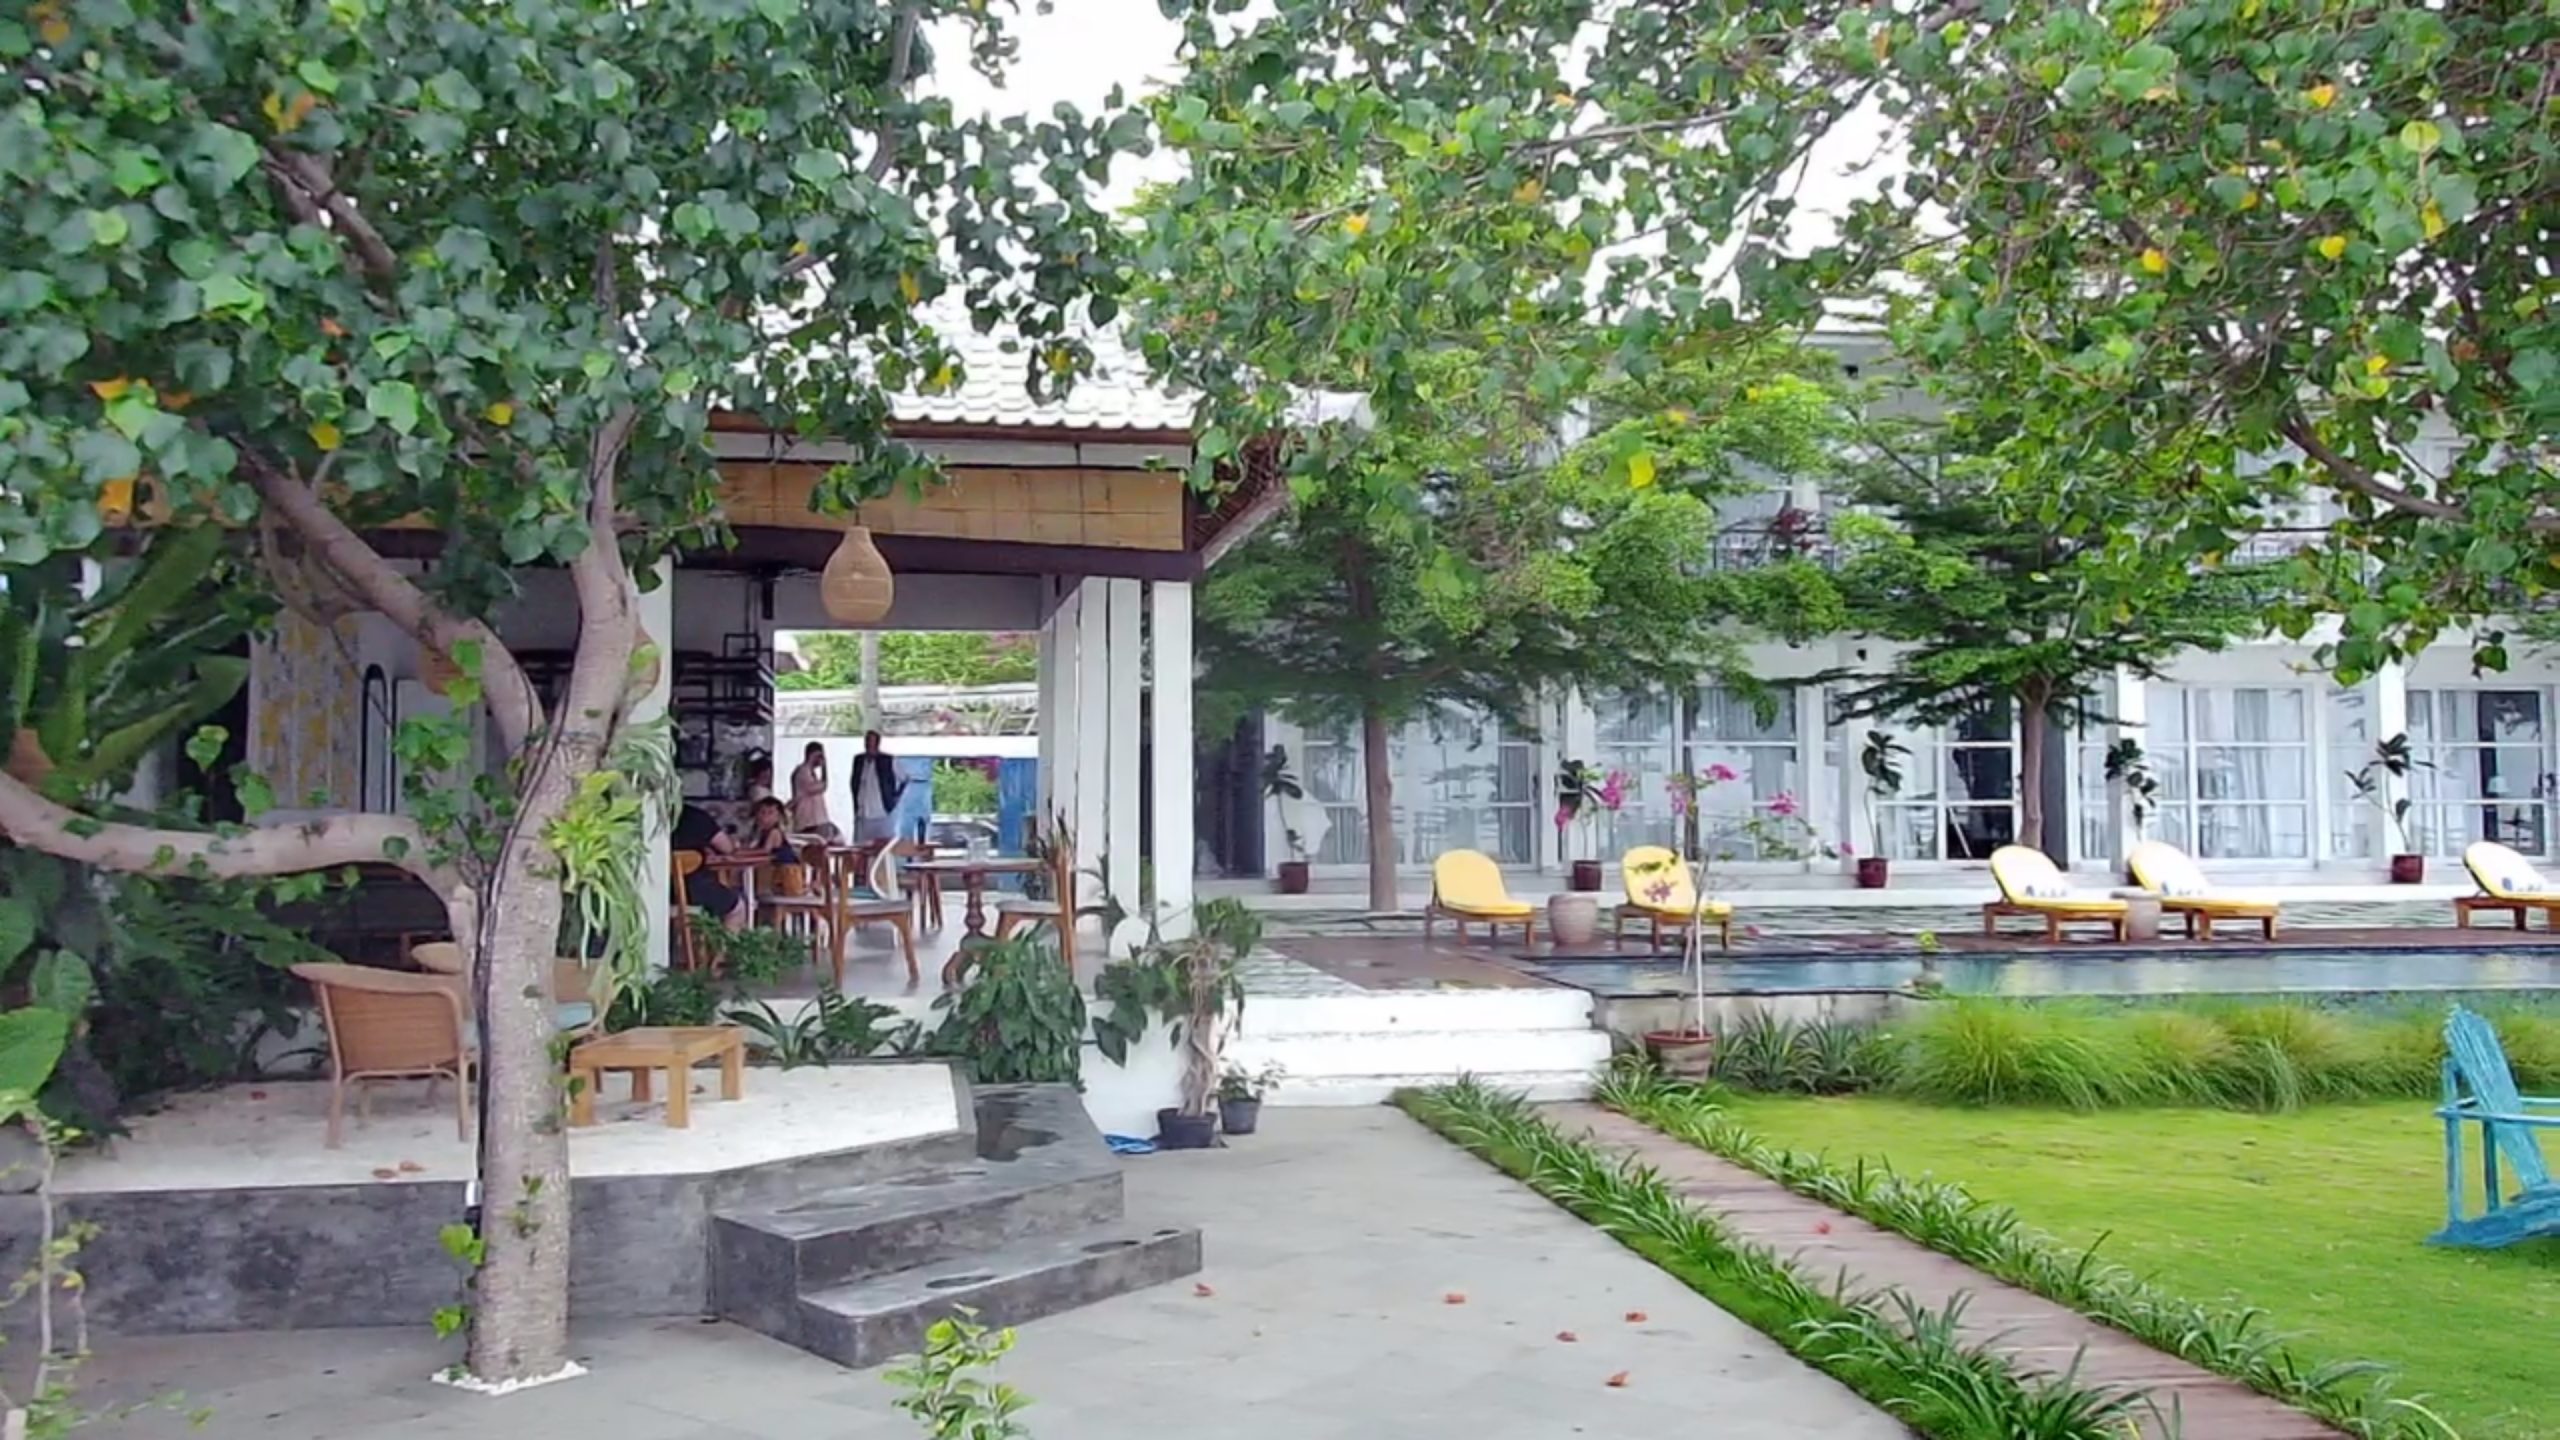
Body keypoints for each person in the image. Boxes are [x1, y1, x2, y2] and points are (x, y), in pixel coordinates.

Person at [671, 801, 747, 933]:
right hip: (694, 891)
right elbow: (727, 847)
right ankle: (723, 946)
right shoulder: (696, 816)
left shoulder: (648, 816)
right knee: (737, 908)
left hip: (652, 890)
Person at [849, 730, 905, 846]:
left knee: (883, 846)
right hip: (863, 813)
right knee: (861, 846)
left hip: (881, 812)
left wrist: (895, 798)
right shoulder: (859, 760)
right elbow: (854, 782)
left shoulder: (888, 760)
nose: (869, 746)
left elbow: (904, 779)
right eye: (867, 742)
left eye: (871, 742)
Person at [789, 741, 838, 840]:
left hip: (815, 819)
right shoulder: (803, 772)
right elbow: (821, 787)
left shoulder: (811, 772)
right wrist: (824, 769)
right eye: (820, 756)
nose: (822, 759)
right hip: (808, 821)